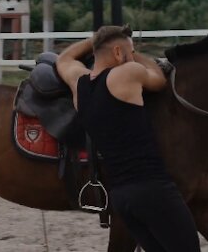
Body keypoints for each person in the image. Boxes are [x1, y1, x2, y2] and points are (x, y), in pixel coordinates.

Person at [55, 25, 200, 252]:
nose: (132, 57)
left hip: (121, 199)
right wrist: (140, 57)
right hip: (154, 190)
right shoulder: (128, 73)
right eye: (129, 52)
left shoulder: (79, 84)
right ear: (117, 53)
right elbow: (159, 80)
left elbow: (63, 59)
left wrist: (94, 39)